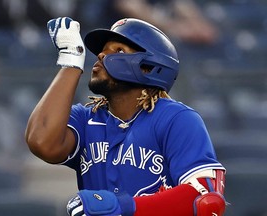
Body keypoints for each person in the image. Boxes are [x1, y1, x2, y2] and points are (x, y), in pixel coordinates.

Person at [25, 17, 226, 215]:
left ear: (148, 67)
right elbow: (41, 142)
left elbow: (207, 200)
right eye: (101, 51)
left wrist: (122, 207)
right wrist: (71, 59)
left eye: (119, 51)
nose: (102, 55)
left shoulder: (176, 118)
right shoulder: (87, 118)